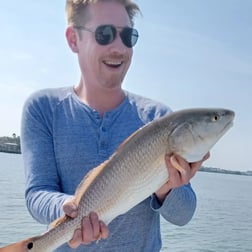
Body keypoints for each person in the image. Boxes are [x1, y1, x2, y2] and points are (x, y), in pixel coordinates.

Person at [21, 0, 209, 251]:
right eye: (105, 34)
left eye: (128, 36)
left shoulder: (159, 119)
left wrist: (166, 188)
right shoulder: (43, 108)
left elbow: (184, 215)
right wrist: (72, 212)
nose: (119, 48)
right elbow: (37, 193)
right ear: (73, 39)